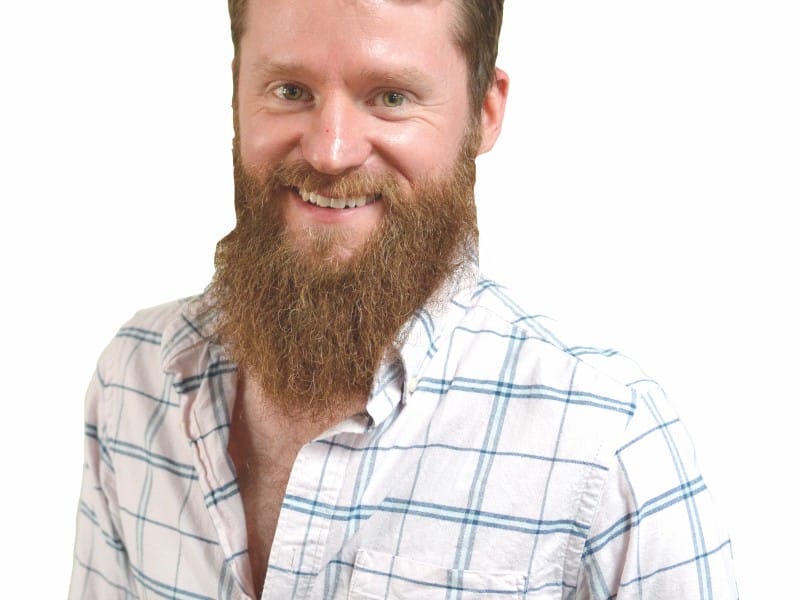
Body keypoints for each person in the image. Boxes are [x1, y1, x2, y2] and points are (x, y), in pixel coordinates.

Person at [69, 0, 738, 598]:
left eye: (390, 97)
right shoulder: (137, 379)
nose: (330, 151)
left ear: (485, 113)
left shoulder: (609, 442)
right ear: (237, 91)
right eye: (291, 90)